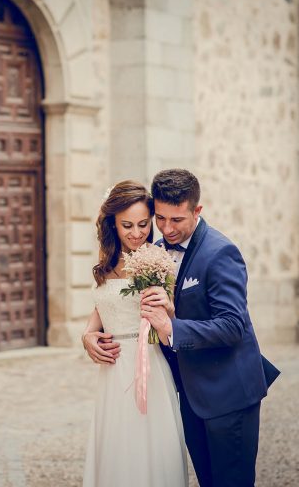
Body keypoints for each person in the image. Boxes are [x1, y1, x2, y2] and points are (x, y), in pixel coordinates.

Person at [138, 169, 280, 487]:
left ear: (197, 211)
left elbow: (232, 326)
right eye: (160, 218)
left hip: (228, 393)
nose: (166, 228)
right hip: (190, 393)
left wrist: (172, 327)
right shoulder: (158, 252)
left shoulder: (220, 253)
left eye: (176, 220)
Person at [81, 180, 188, 487]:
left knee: (148, 449)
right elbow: (104, 305)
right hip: (112, 372)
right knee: (115, 449)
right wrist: (88, 334)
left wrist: (167, 307)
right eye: (127, 225)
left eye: (143, 224)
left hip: (148, 367)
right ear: (112, 224)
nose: (137, 233)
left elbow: (170, 316)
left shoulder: (155, 261)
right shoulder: (106, 263)